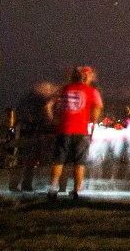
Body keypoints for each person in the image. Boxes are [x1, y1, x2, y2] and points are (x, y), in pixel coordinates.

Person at [48, 66, 103, 200]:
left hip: (64, 130)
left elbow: (48, 105)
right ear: (88, 77)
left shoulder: (65, 88)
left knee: (59, 161)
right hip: (81, 132)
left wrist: (53, 121)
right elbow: (96, 111)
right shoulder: (92, 92)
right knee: (79, 163)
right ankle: (76, 191)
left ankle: (53, 189)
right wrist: (93, 126)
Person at [11, 81, 56, 193]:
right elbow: (41, 116)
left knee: (26, 160)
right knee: (29, 160)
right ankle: (23, 184)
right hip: (33, 133)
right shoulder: (39, 102)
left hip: (27, 132)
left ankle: (20, 184)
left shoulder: (27, 100)